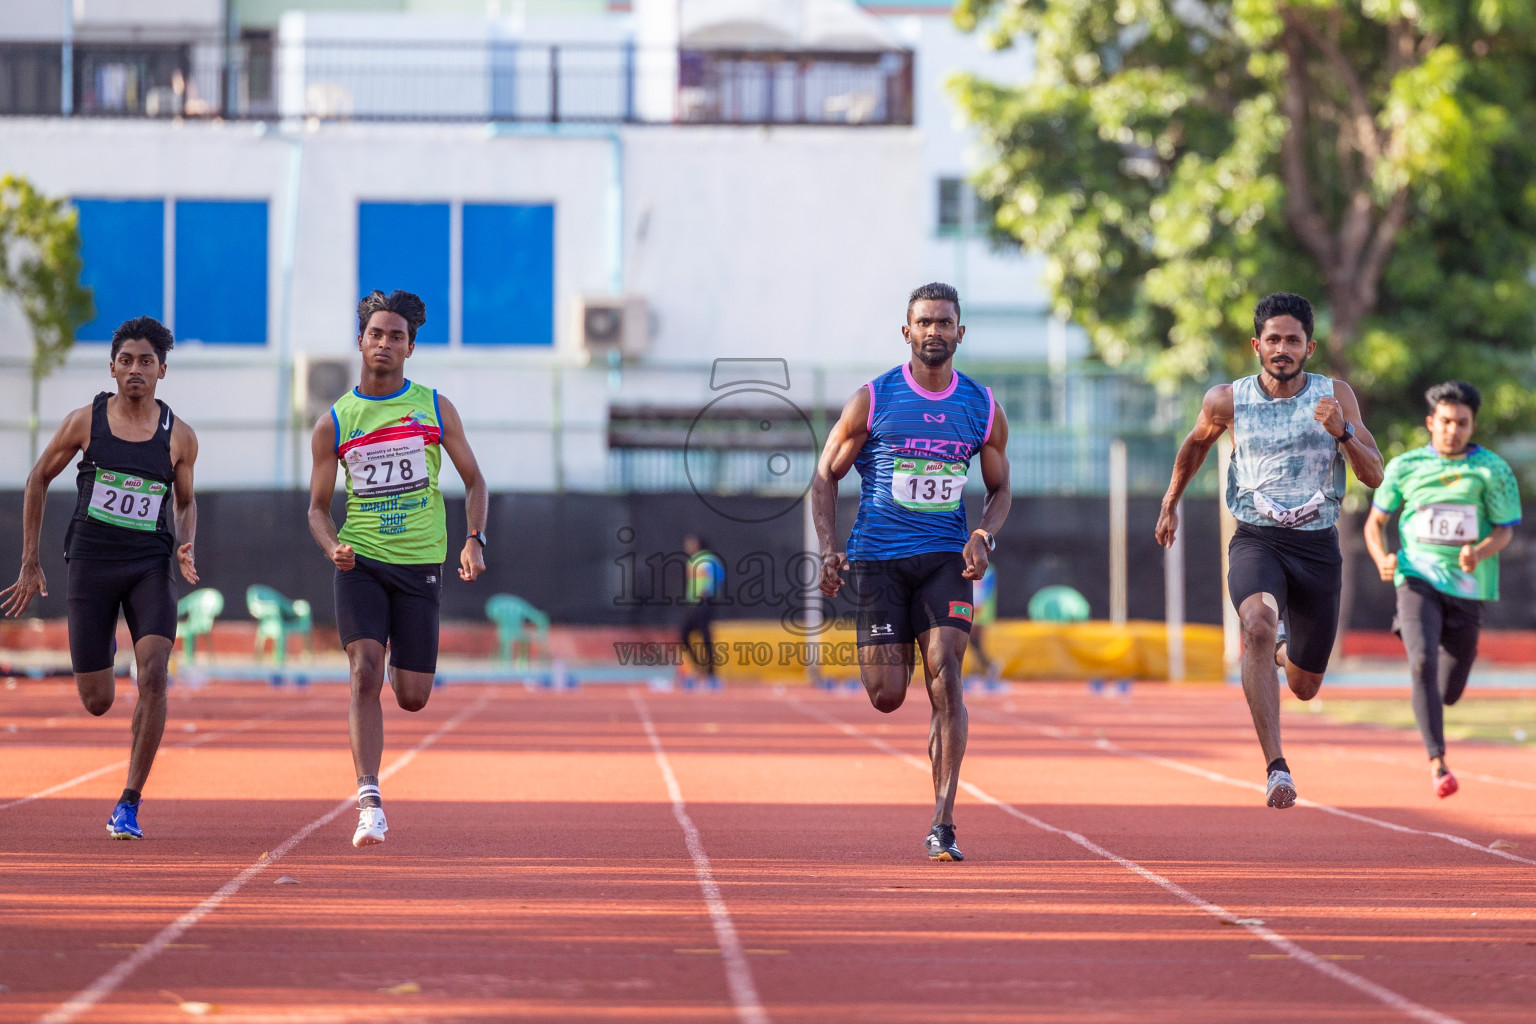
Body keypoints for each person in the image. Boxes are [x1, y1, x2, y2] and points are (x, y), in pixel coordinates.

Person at [1155, 293, 1383, 808]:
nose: (1283, 349)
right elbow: (1195, 445)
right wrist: (1170, 503)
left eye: (1293, 340)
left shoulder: (1336, 395)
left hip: (1317, 547)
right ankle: (1276, 767)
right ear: (1256, 346)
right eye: (1273, 340)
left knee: (1304, 686)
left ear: (1310, 347)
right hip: (1257, 538)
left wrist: (1343, 432)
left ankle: (1283, 652)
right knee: (1255, 623)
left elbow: (1374, 473)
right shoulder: (1227, 400)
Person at [813, 281, 1011, 861]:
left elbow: (1000, 489)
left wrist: (984, 534)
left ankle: (943, 821)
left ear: (959, 332)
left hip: (945, 558)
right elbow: (826, 475)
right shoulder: (873, 400)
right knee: (886, 695)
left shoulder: (981, 406)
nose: (934, 331)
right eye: (923, 323)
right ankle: (894, 666)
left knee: (945, 670)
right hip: (878, 559)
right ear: (907, 332)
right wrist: (830, 547)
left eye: (944, 322)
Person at [2, 316, 199, 839]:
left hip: (150, 566)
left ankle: (129, 802)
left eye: (147, 362)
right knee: (98, 700)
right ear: (113, 367)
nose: (136, 369)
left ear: (162, 371)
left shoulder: (178, 435)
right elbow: (36, 479)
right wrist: (30, 559)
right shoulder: (84, 422)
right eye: (127, 360)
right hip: (91, 564)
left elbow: (186, 501)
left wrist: (186, 542)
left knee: (154, 671)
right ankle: (108, 654)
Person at [308, 290, 488, 848]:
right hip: (360, 561)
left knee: (411, 695)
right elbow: (315, 509)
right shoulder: (334, 423)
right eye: (376, 334)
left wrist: (474, 541)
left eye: (397, 336)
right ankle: (369, 802)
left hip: (420, 565)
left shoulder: (435, 408)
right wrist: (332, 545)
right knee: (364, 670)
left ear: (410, 347)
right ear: (361, 341)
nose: (385, 343)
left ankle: (397, 662)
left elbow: (475, 482)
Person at [1364, 381, 1520, 799]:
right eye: (1446, 421)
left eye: (1462, 423)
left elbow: (1505, 530)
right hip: (1416, 577)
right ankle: (1438, 762)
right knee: (1421, 663)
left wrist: (1481, 550)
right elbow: (1375, 524)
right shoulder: (1405, 467)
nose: (1453, 430)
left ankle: (1432, 686)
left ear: (1472, 425)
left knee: (1448, 690)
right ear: (1431, 423)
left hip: (1469, 587)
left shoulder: (1493, 470)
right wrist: (1383, 557)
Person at [678, 534, 722, 688]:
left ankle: (711, 675)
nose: (687, 545)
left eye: (690, 542)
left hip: (704, 602)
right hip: (694, 603)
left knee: (705, 637)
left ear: (698, 543)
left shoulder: (708, 559)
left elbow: (718, 577)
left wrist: (707, 591)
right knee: (684, 635)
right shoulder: (693, 560)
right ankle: (697, 669)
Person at [965, 565, 1002, 688]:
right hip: (973, 608)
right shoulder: (969, 568)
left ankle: (988, 666)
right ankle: (984, 667)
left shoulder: (989, 570)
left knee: (974, 640)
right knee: (973, 641)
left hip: (981, 610)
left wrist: (978, 603)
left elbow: (987, 590)